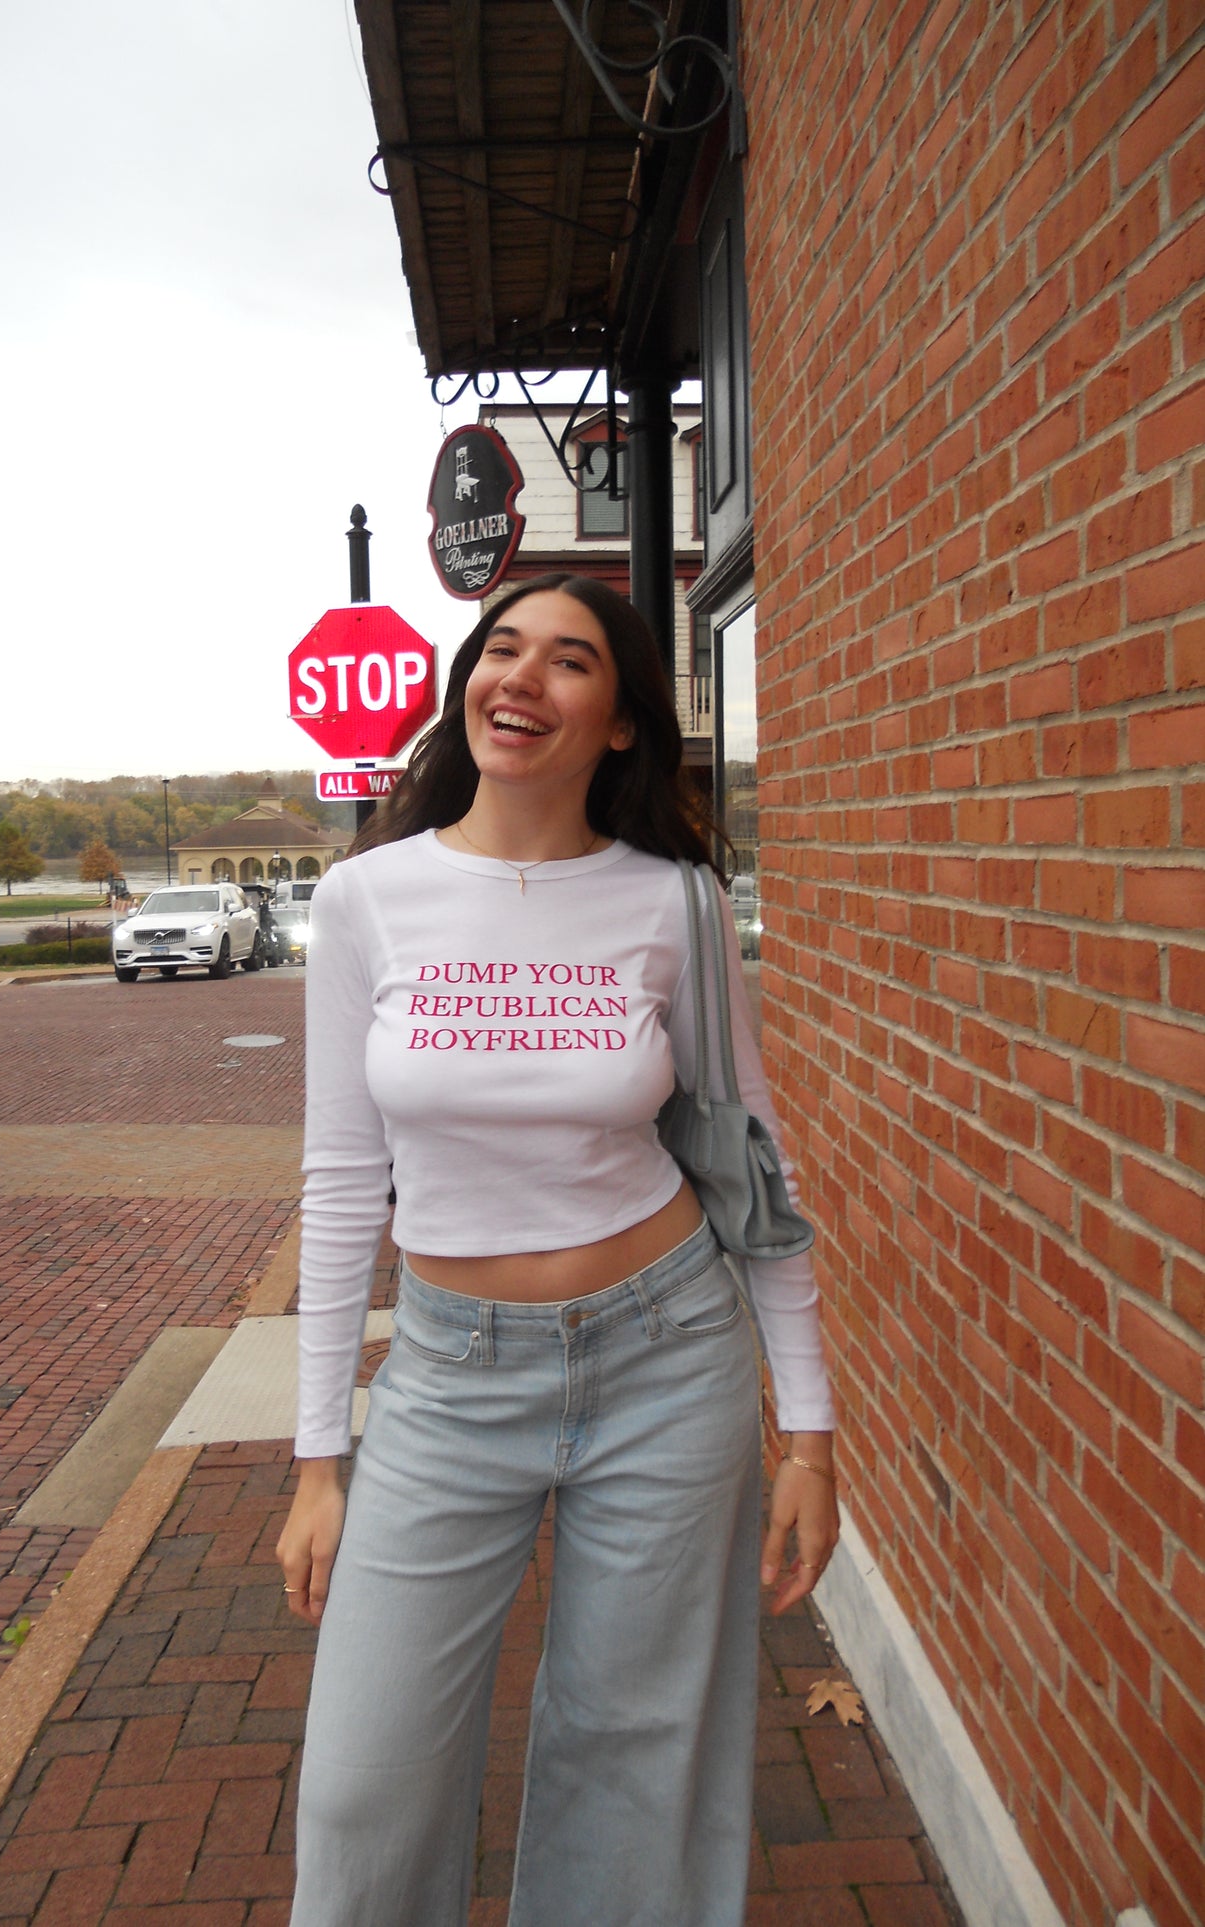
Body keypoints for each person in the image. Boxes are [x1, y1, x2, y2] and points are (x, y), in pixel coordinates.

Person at [277, 575, 839, 1927]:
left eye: (569, 660)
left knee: (631, 1757)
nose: (519, 678)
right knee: (364, 1781)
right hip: (449, 1377)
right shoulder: (366, 899)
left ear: (624, 723)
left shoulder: (674, 903)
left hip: (666, 1357)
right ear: (468, 681)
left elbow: (753, 1169)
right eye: (501, 648)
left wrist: (808, 1430)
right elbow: (344, 1175)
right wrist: (315, 1455)